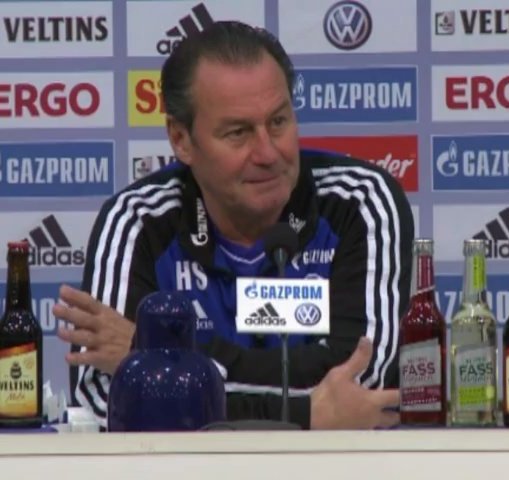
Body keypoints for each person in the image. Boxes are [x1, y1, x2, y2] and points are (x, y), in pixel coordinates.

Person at [53, 20, 414, 430]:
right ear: (181, 140)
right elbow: (102, 401)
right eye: (238, 132)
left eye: (278, 122)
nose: (268, 153)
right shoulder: (139, 220)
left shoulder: (359, 201)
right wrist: (304, 415)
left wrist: (156, 359)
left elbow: (362, 387)